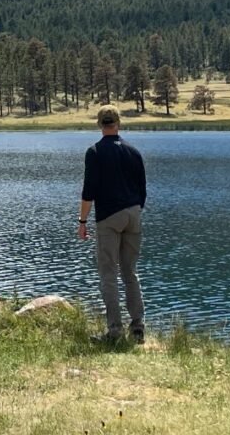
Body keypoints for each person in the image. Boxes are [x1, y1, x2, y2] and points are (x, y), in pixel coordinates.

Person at [77, 104, 146, 343]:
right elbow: (142, 190)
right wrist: (134, 212)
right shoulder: (134, 152)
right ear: (118, 123)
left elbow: (89, 192)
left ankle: (114, 331)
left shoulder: (94, 152)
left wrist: (82, 221)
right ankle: (138, 328)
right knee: (130, 273)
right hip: (134, 214)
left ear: (99, 124)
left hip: (109, 218)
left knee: (108, 274)